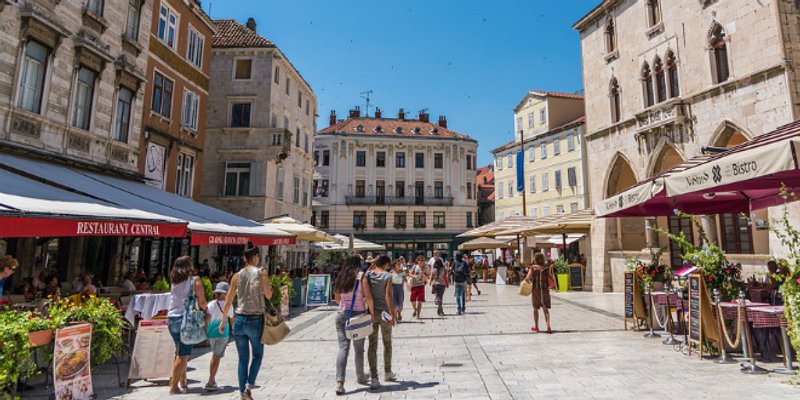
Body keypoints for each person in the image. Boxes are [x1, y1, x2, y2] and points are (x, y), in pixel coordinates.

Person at [219, 245, 272, 400]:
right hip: (255, 319)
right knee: (257, 354)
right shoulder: (261, 272)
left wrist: (223, 321)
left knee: (242, 358)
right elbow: (268, 295)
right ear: (255, 257)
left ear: (244, 259)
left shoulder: (236, 276)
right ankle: (249, 386)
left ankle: (242, 392)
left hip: (239, 320)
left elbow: (229, 300)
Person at [333, 255, 374, 395]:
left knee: (343, 348)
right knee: (359, 349)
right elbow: (368, 297)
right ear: (358, 263)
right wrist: (372, 313)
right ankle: (360, 375)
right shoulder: (361, 276)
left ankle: (339, 382)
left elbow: (337, 299)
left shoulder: (341, 276)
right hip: (358, 315)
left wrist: (346, 303)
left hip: (341, 314)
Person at [167, 256, 207, 395]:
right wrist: (206, 311)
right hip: (186, 319)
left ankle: (183, 380)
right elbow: (202, 301)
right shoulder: (194, 281)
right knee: (183, 354)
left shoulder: (174, 281)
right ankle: (173, 386)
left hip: (172, 318)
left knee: (179, 350)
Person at [365, 255, 396, 390]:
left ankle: (374, 378)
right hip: (384, 313)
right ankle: (387, 372)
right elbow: (388, 296)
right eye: (387, 265)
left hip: (371, 312)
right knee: (387, 343)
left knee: (372, 344)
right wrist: (392, 314)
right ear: (384, 265)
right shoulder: (388, 276)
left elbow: (367, 270)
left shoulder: (368, 275)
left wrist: (373, 262)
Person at [204, 282, 234, 392]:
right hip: (223, 334)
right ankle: (211, 381)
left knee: (215, 355)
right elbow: (231, 319)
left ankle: (212, 380)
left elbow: (207, 318)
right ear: (225, 294)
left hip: (211, 333)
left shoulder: (211, 304)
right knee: (216, 357)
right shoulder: (228, 305)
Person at [525, 253, 553, 333]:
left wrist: (531, 283)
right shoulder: (546, 268)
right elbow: (551, 278)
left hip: (536, 290)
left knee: (535, 309)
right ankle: (548, 326)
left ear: (535, 259)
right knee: (545, 309)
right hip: (545, 290)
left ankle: (536, 326)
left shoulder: (533, 268)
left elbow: (527, 279)